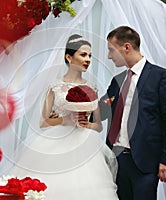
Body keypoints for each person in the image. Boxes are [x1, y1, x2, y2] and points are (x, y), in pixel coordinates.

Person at [8, 34, 119, 199]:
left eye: (90, 55)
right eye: (83, 55)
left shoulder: (91, 87)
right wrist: (65, 120)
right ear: (69, 57)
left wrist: (86, 124)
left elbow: (98, 125)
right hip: (56, 141)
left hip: (85, 144)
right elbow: (44, 121)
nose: (88, 59)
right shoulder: (54, 86)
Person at [99, 26, 166, 200]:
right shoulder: (117, 81)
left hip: (145, 163)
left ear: (127, 47)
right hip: (117, 161)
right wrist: (74, 107)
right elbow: (101, 110)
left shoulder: (160, 77)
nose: (109, 56)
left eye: (111, 50)